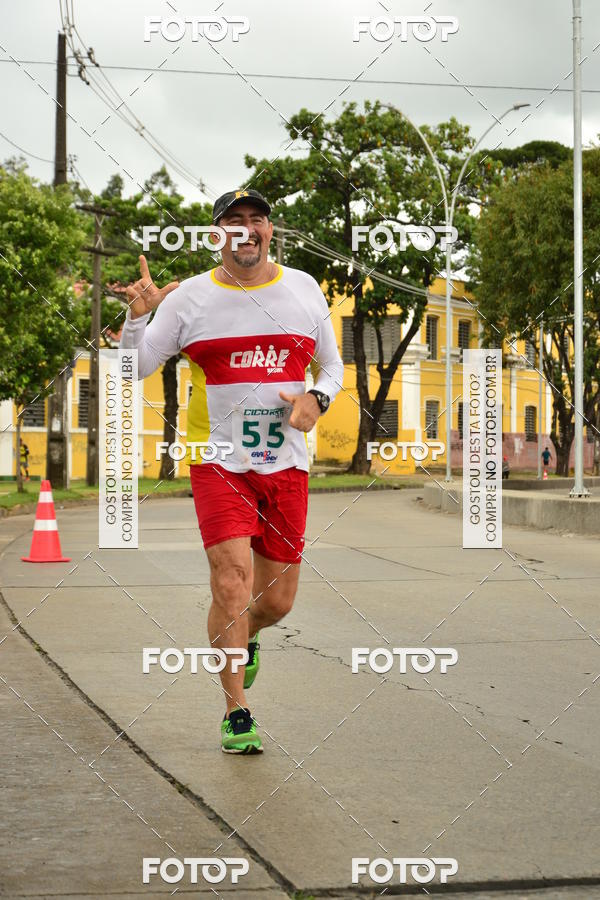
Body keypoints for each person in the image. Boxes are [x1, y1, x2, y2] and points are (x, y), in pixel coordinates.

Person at [120, 190, 344, 754]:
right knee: (229, 583)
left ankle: (247, 637)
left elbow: (333, 367)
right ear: (216, 234)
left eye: (256, 220)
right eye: (232, 223)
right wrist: (136, 318)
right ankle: (236, 711)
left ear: (271, 231)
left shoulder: (303, 289)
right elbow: (135, 368)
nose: (245, 231)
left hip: (286, 466)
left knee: (275, 603)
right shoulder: (192, 298)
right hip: (218, 463)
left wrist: (317, 398)